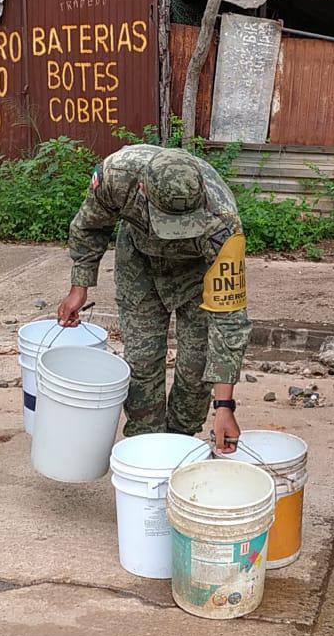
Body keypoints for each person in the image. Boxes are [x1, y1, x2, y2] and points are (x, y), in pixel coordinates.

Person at [57, 145, 252, 452]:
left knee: (196, 367)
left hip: (197, 274)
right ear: (143, 189)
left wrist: (224, 405)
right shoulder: (116, 176)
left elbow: (229, 320)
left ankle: (179, 445)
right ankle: (146, 446)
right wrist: (79, 286)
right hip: (139, 265)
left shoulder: (223, 223)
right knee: (142, 361)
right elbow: (90, 226)